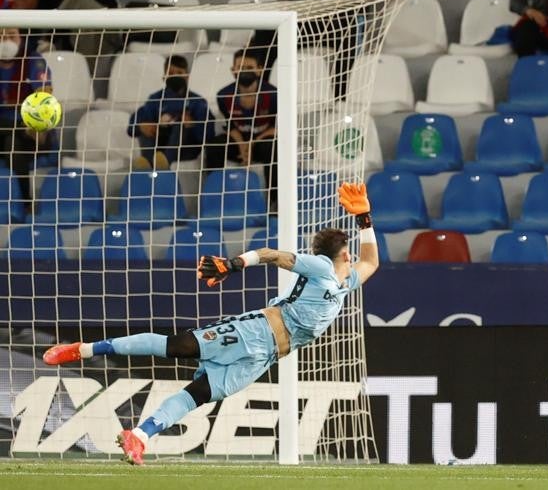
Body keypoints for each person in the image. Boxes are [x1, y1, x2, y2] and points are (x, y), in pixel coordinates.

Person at [42, 183, 380, 467]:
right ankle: (84, 349)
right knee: (176, 346)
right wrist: (233, 264)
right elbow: (271, 255)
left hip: (266, 356)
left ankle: (139, 436)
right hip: (255, 330)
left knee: (198, 394)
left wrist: (365, 219)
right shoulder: (319, 266)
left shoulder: (343, 282)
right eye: (349, 251)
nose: (353, 256)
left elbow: (371, 262)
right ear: (339, 254)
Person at [204, 48, 277, 200]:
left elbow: (276, 128)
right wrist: (242, 145)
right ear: (233, 70)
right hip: (238, 144)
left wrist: (252, 144)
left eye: (249, 68)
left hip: (262, 143)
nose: (244, 72)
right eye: (240, 68)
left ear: (260, 70)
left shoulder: (273, 94)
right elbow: (230, 126)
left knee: (274, 148)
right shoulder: (224, 95)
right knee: (214, 145)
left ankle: (275, 201)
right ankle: (214, 198)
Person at [128, 55, 211, 170]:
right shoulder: (156, 98)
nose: (175, 76)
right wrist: (140, 126)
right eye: (171, 73)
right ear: (164, 77)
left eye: (179, 73)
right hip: (159, 148)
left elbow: (208, 136)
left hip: (185, 149)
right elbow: (132, 126)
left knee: (179, 124)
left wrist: (192, 125)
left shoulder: (197, 102)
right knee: (145, 124)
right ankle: (147, 163)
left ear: (187, 76)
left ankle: (163, 164)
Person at [0, 28, 54, 205]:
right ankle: (25, 203)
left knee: (13, 143)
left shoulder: (33, 60)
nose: (5, 40)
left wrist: (36, 124)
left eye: (11, 35)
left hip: (29, 133)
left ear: (21, 37)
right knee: (11, 138)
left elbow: (45, 97)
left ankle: (23, 203)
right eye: (1, 35)